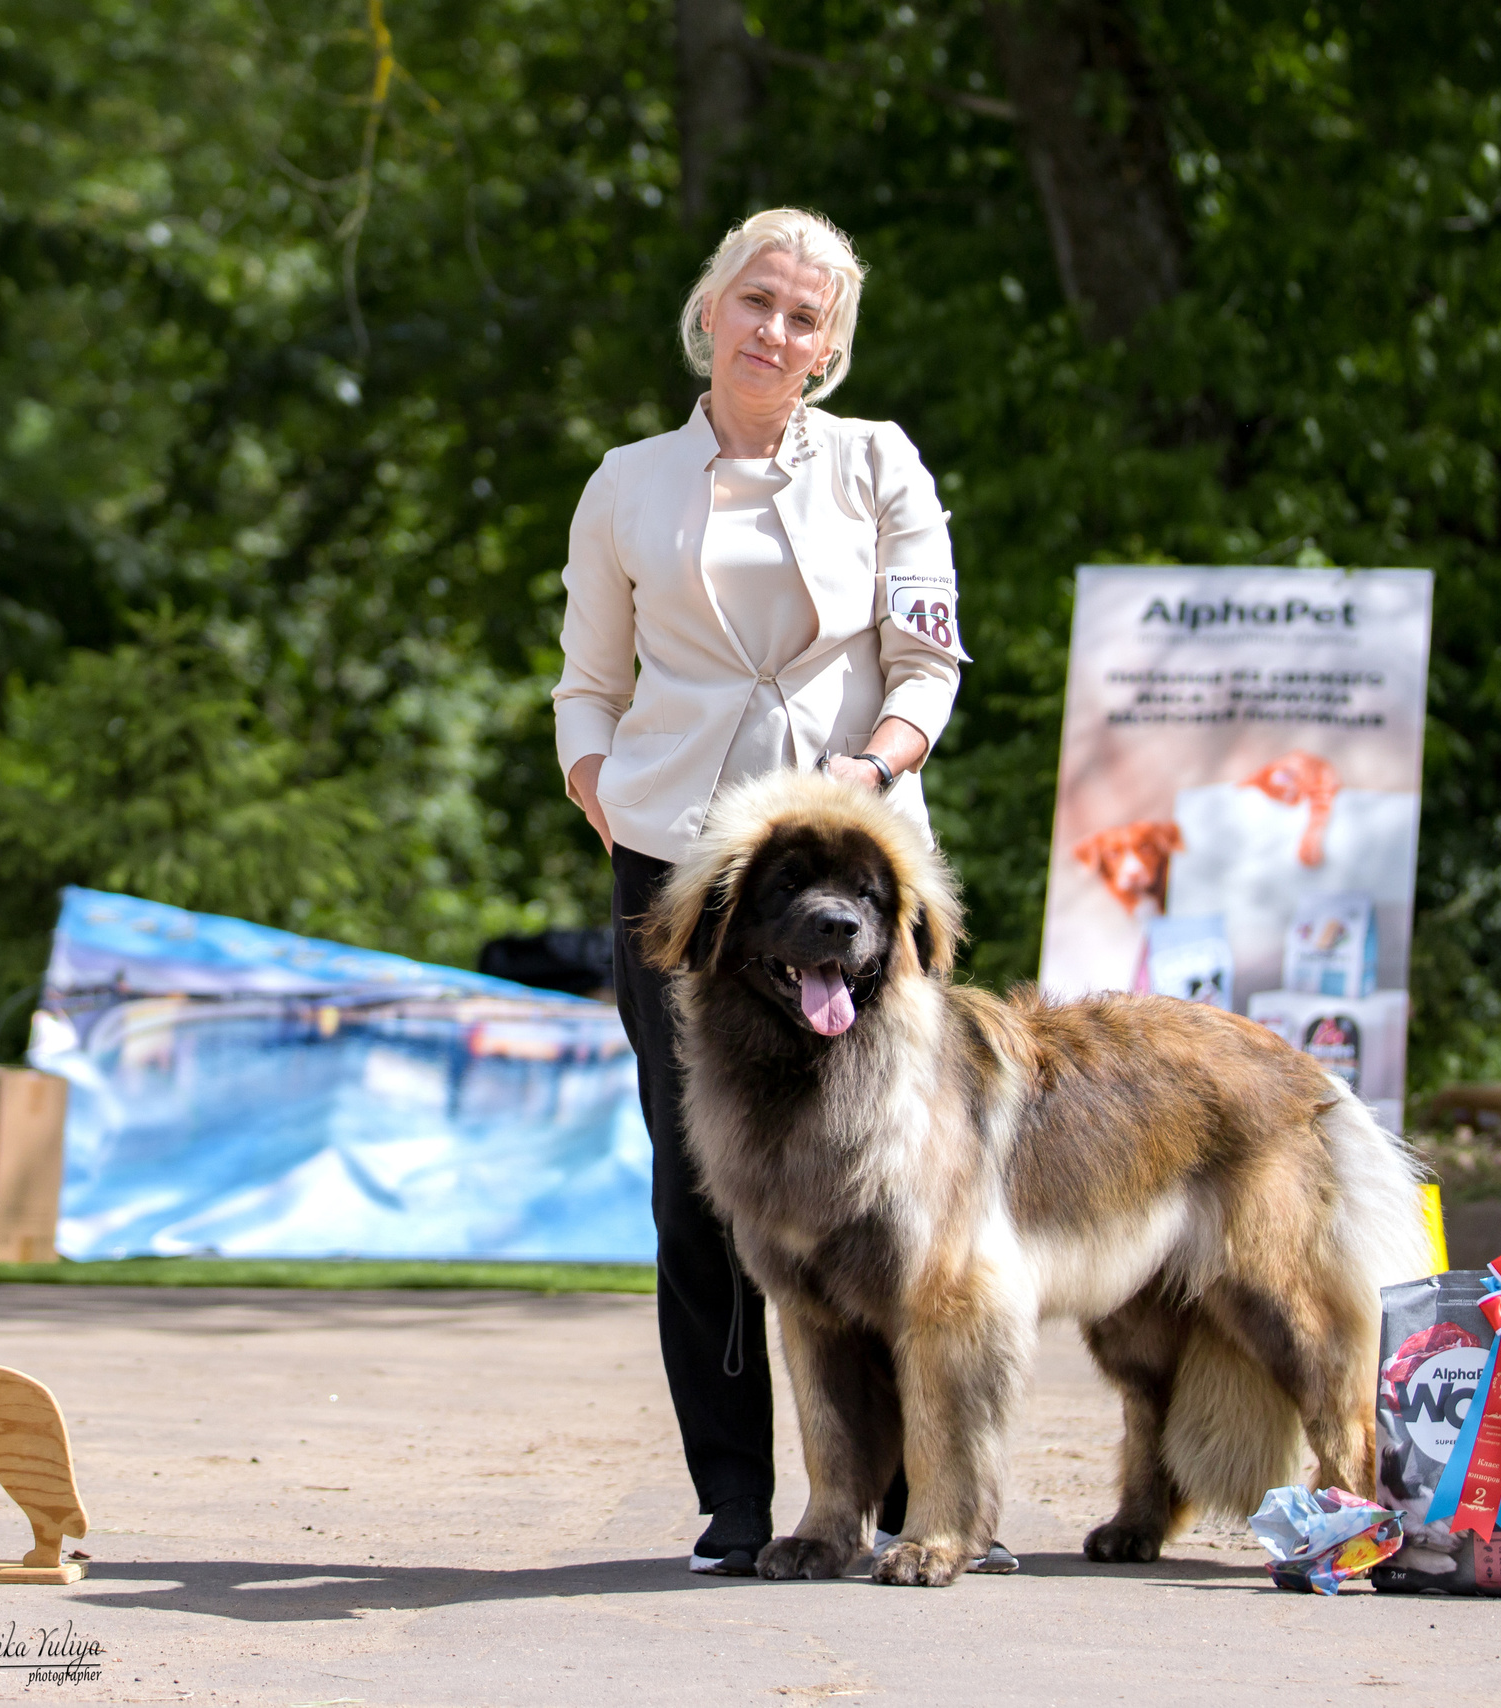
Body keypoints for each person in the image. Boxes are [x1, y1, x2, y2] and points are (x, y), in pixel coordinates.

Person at [552, 207, 967, 1573]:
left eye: (806, 316)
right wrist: (599, 781)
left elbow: (929, 666)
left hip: (853, 857)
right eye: (757, 302)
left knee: (887, 1177)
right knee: (698, 1179)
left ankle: (905, 1497)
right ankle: (734, 1497)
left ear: (830, 347)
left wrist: (880, 766)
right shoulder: (625, 482)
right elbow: (588, 685)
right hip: (683, 873)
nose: (775, 331)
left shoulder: (880, 464)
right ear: (711, 310)